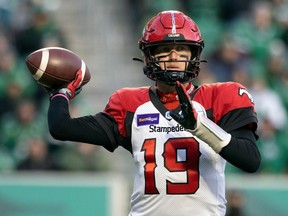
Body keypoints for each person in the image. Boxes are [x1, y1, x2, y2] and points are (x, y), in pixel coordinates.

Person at [47, 10, 261, 216]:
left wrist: (200, 127)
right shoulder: (129, 104)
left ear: (194, 55)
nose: (174, 57)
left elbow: (250, 160)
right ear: (149, 57)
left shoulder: (220, 98)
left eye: (182, 50)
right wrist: (61, 93)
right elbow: (61, 128)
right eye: (165, 50)